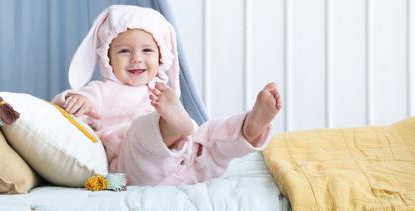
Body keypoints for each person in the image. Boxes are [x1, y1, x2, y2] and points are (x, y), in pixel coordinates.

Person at [53, 5, 282, 186]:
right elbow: (65, 107)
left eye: (147, 50)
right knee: (141, 131)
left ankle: (248, 128)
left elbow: (198, 138)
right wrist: (76, 100)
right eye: (124, 51)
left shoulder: (160, 91)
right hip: (134, 166)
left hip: (186, 166)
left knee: (209, 137)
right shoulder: (102, 90)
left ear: (162, 56)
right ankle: (170, 126)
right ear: (107, 57)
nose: (136, 58)